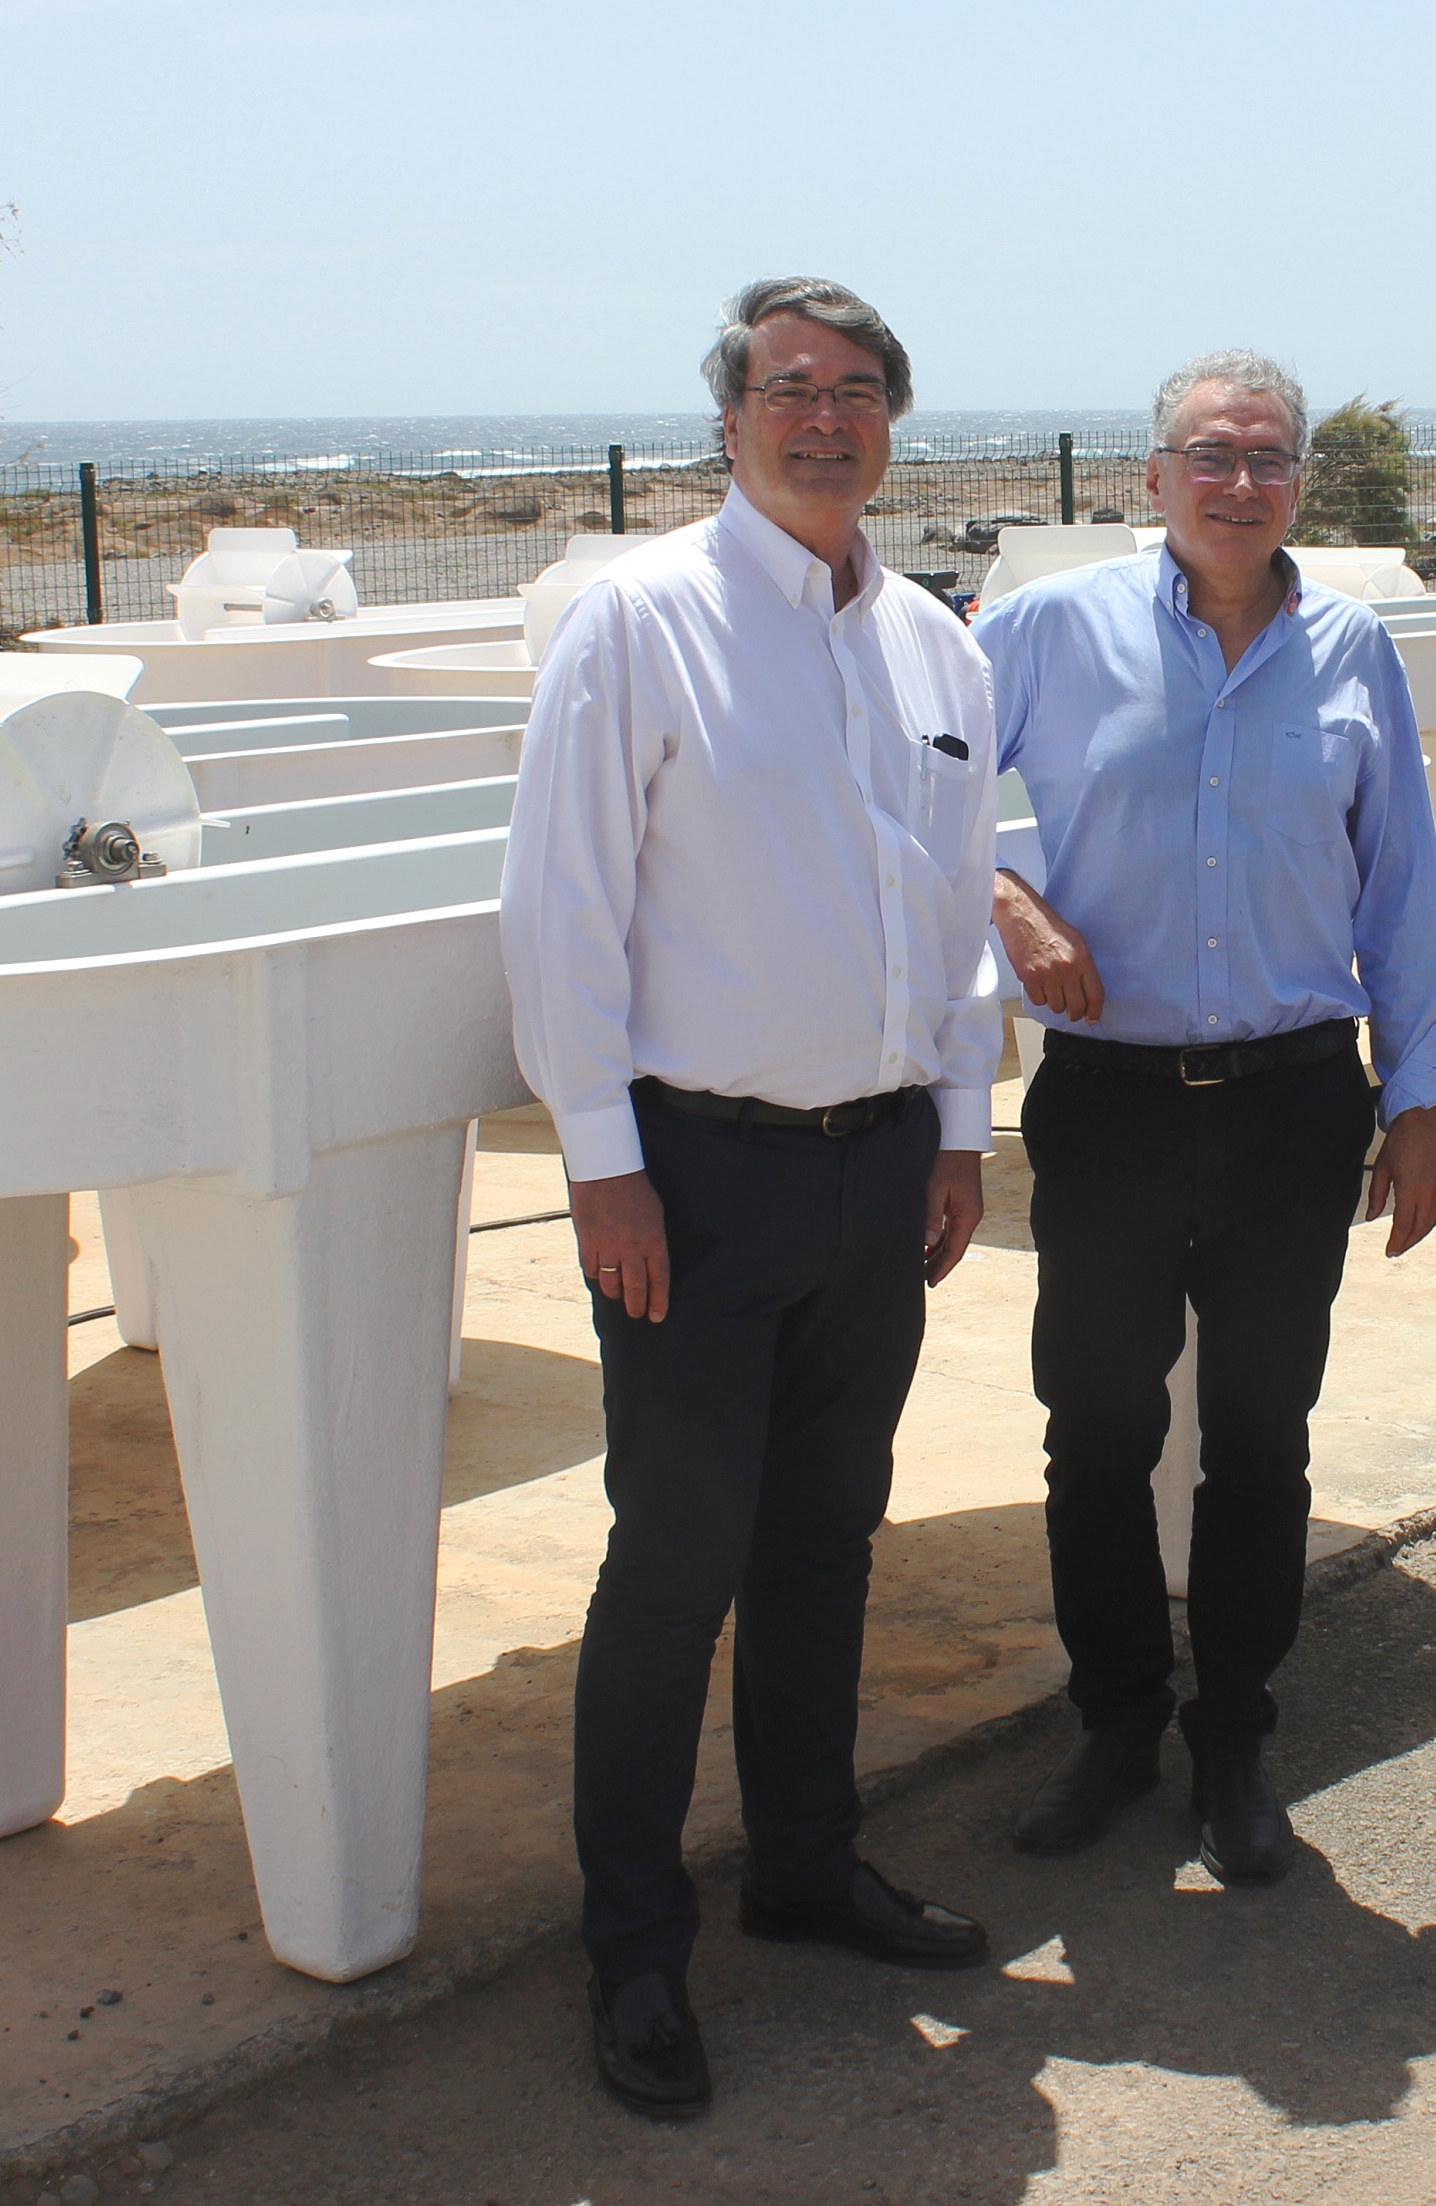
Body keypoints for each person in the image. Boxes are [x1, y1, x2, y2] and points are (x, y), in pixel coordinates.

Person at [501, 276, 1001, 2121]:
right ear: (730, 418)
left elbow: (958, 916)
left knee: (824, 1544)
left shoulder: (941, 647)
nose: (824, 415)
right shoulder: (640, 624)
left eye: (859, 388)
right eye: (789, 386)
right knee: (672, 1567)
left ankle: (804, 1864)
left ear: (892, 422)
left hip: (881, 1176)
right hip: (694, 1182)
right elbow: (559, 909)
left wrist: (957, 1129)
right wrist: (602, 1164)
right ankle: (634, 1950)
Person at [977, 350, 1436, 1886]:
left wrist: (1424, 1096)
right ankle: (1117, 1725)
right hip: (1108, 1105)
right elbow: (900, 795)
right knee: (1098, 1432)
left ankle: (1237, 1738)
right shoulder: (1050, 630)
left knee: (1261, 1440)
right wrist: (1004, 897)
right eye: (1210, 454)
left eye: (1268, 459)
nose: (1238, 483)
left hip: (1292, 1104)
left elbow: (1402, 885)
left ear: (1299, 485)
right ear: (1154, 476)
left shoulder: (1354, 651)